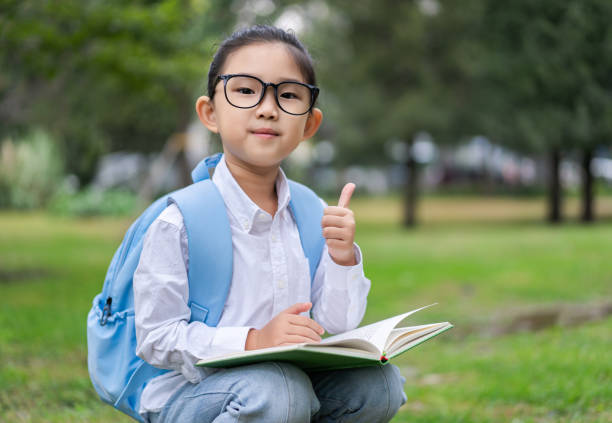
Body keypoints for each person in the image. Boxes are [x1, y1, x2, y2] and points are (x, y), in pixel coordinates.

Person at [133, 25, 407, 423]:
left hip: (290, 387)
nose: (267, 108)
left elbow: (339, 322)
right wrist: (253, 341)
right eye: (245, 90)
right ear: (210, 113)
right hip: (193, 394)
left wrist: (343, 256)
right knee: (278, 391)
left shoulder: (310, 211)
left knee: (379, 385)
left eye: (289, 94)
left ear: (309, 125)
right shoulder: (180, 221)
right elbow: (157, 339)